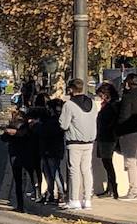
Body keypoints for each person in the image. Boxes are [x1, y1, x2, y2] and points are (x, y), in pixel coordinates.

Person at [58, 79, 99, 211]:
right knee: (87, 170)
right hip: (89, 142)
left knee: (74, 171)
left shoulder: (69, 105)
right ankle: (87, 199)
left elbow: (63, 125)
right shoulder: (92, 103)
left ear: (70, 89)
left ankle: (74, 200)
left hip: (74, 142)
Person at [115, 73, 137, 201]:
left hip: (130, 132)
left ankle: (133, 191)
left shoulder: (128, 97)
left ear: (128, 83)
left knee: (130, 163)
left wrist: (118, 131)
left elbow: (123, 116)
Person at [34, 99, 66, 205]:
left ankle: (61, 194)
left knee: (55, 173)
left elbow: (44, 132)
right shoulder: (50, 120)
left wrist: (37, 125)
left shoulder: (55, 121)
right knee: (48, 174)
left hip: (52, 150)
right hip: (47, 149)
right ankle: (50, 193)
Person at [1, 108, 32, 212]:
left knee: (18, 180)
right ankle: (22, 203)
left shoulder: (13, 127)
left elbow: (3, 138)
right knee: (27, 179)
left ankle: (20, 205)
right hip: (26, 154)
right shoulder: (26, 127)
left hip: (15, 154)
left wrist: (9, 132)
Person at [95, 81, 122, 199]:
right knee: (106, 163)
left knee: (107, 163)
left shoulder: (112, 105)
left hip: (108, 137)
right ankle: (111, 188)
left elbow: (111, 121)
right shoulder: (110, 105)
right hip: (104, 136)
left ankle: (112, 188)